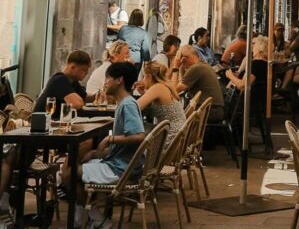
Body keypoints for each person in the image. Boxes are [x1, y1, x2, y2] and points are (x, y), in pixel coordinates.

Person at [64, 61, 145, 229]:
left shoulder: (127, 104)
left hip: (121, 169)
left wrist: (110, 139)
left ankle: (94, 219)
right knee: (84, 159)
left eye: (108, 78)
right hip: (122, 164)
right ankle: (86, 219)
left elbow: (139, 136)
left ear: (119, 80)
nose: (105, 82)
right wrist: (97, 153)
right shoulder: (126, 102)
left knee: (67, 175)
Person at [170, 44, 224, 122]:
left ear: (189, 57)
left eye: (181, 57)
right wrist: (181, 68)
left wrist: (175, 67)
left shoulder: (196, 68)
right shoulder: (202, 65)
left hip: (210, 111)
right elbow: (183, 84)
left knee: (173, 117)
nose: (180, 60)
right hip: (214, 109)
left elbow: (174, 90)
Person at [137, 62, 186, 142]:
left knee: (134, 131)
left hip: (170, 137)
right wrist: (144, 92)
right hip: (178, 134)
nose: (142, 80)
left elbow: (135, 107)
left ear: (149, 77)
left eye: (143, 77)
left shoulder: (157, 87)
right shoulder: (165, 85)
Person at [34, 50, 91, 116]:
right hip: (42, 123)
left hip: (54, 122)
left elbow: (85, 98)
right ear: (73, 67)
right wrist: (79, 101)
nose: (87, 73)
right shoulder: (59, 80)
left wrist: (97, 95)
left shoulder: (73, 81)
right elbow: (76, 104)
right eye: (84, 70)